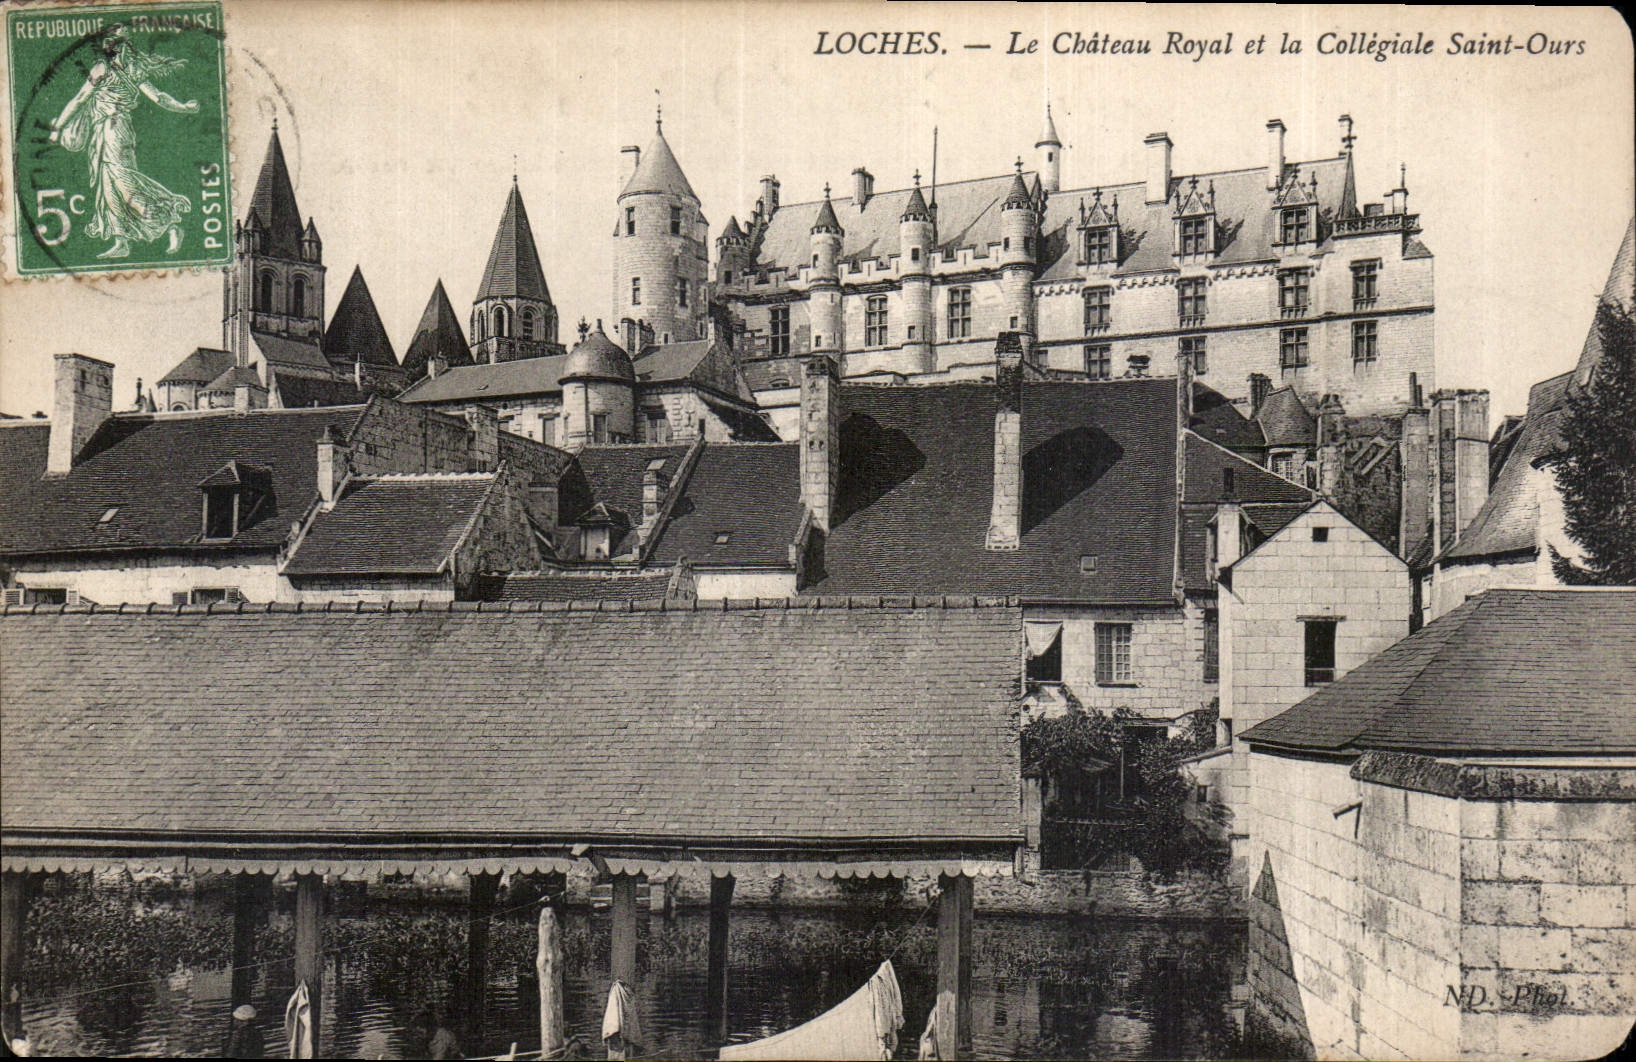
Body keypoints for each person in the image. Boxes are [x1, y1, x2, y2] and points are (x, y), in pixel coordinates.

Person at [47, 24, 198, 259]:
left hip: (113, 131)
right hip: (111, 131)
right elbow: (159, 97)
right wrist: (183, 107)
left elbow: (79, 99)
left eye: (109, 41)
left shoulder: (103, 68)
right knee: (108, 186)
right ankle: (121, 241)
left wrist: (58, 127)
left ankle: (169, 223)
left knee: (125, 186)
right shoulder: (133, 69)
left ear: (115, 45)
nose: (106, 46)